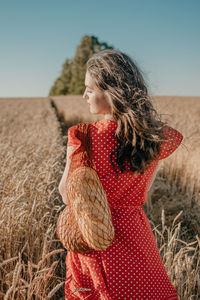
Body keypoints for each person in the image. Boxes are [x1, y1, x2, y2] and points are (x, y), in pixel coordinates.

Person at [59, 49, 183, 299]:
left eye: (90, 89)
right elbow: (145, 191)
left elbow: (65, 193)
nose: (84, 95)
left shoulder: (85, 137)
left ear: (112, 91)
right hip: (137, 235)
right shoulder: (155, 137)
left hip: (96, 234)